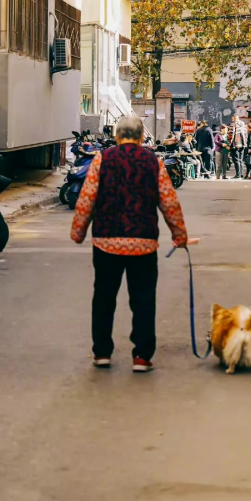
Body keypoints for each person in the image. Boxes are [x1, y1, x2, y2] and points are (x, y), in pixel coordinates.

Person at [71, 114, 188, 372]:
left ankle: (102, 353)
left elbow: (87, 198)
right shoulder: (153, 162)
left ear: (116, 136)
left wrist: (79, 231)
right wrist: (179, 235)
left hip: (106, 242)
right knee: (143, 300)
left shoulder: (102, 160)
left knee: (104, 298)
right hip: (143, 243)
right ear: (142, 137)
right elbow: (169, 201)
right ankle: (142, 357)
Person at [229, 114, 247, 178]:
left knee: (236, 160)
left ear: (234, 118)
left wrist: (229, 144)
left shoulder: (233, 124)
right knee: (241, 160)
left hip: (235, 145)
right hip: (242, 144)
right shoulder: (243, 125)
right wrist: (245, 143)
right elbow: (246, 135)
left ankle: (238, 174)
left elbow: (231, 135)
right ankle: (241, 174)